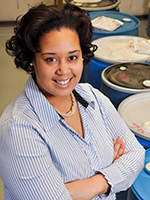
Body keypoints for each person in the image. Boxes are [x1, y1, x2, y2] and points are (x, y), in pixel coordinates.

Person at [0, 3, 145, 200]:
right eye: (51, 59)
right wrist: (112, 171)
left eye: (72, 57)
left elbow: (136, 154)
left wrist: (93, 184)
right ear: (32, 60)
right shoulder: (19, 128)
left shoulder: (91, 97)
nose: (64, 70)